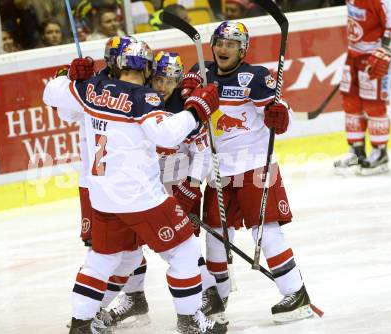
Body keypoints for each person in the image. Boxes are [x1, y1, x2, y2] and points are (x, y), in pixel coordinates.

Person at [43, 35, 226, 334]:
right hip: (142, 198)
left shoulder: (90, 88)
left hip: (102, 198)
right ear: (148, 69)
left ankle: (81, 325)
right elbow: (166, 135)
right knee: (184, 253)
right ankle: (190, 320)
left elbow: (52, 93)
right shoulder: (145, 98)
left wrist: (71, 75)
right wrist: (196, 111)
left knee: (101, 260)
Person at [181, 21, 317, 323]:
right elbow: (183, 97)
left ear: (243, 49)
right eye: (219, 42)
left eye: (231, 44)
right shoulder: (202, 71)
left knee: (265, 233)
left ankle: (295, 293)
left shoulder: (255, 77)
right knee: (215, 237)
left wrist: (281, 117)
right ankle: (218, 296)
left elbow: (283, 115)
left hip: (254, 166)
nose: (222, 49)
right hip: (219, 172)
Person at [103, 51, 227, 329]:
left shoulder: (186, 109)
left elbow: (203, 152)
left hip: (178, 186)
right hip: (143, 188)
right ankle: (134, 298)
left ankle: (207, 297)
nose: (161, 86)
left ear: (179, 82)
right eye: (157, 79)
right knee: (131, 243)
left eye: (169, 81)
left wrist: (192, 187)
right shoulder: (140, 103)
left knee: (181, 245)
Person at [334, 0, 391, 175]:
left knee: (374, 105)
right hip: (353, 54)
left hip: (375, 56)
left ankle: (380, 154)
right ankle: (356, 154)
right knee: (350, 103)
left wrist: (385, 50)